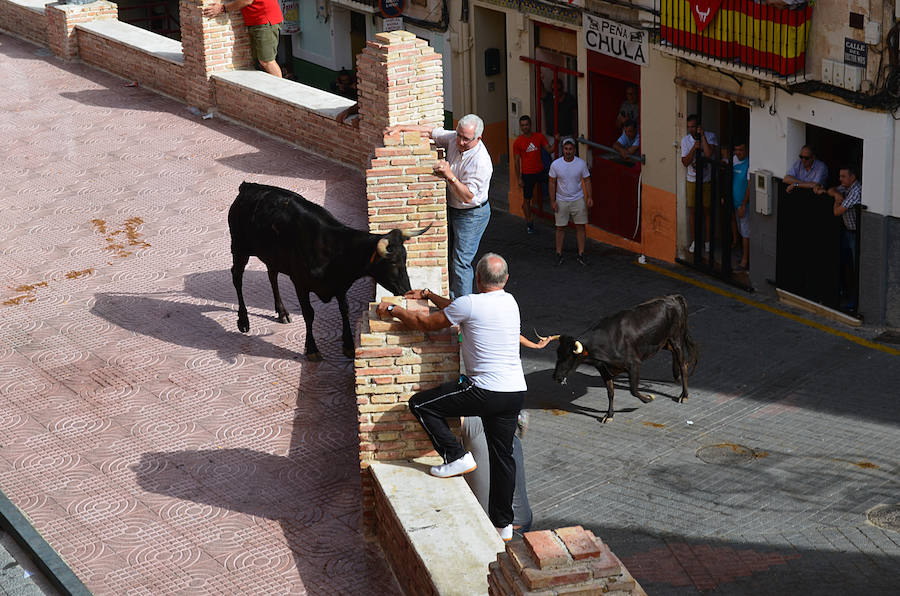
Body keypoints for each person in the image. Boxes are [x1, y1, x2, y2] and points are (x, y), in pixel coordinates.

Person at [375, 253, 549, 541]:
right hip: (515, 394)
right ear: (505, 280)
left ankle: (456, 456)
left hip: (485, 391)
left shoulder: (471, 303)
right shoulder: (510, 301)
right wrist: (430, 294)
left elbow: (428, 324)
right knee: (502, 458)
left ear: (477, 279)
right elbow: (459, 309)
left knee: (420, 405)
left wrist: (394, 309)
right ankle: (503, 524)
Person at [385, 115, 493, 298]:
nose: (460, 141)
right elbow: (430, 131)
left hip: (472, 214)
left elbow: (467, 197)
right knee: (450, 258)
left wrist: (449, 175)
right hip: (454, 209)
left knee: (461, 262)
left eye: (466, 139)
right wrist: (401, 128)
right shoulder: (455, 137)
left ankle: (462, 308)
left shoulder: (481, 162)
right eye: (459, 135)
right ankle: (452, 300)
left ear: (478, 139)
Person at [815, 166, 861, 311]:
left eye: (843, 176)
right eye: (840, 176)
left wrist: (836, 200)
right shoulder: (846, 187)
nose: (840, 179)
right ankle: (842, 291)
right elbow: (831, 189)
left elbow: (837, 212)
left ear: (852, 178)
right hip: (847, 232)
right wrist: (836, 194)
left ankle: (854, 302)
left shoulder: (856, 191)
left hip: (855, 234)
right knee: (840, 261)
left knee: (855, 268)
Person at [203, 0, 284, 78]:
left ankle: (280, 89)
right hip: (257, 21)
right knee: (260, 61)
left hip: (264, 20)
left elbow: (246, 1)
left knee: (267, 61)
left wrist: (222, 8)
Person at [548, 138, 592, 267]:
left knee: (580, 227)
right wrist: (552, 201)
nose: (568, 151)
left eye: (570, 149)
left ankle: (581, 253)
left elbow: (587, 180)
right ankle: (558, 253)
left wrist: (589, 197)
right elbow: (551, 182)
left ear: (574, 150)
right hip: (561, 200)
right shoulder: (556, 164)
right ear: (563, 150)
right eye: (566, 149)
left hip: (578, 199)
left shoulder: (581, 164)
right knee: (560, 228)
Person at [680, 114, 717, 254]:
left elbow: (708, 154)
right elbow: (684, 162)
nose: (691, 130)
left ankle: (707, 242)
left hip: (706, 180)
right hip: (692, 180)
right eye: (689, 127)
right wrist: (694, 148)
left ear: (699, 126)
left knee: (707, 211)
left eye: (693, 127)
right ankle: (695, 241)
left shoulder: (710, 136)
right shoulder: (685, 141)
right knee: (693, 212)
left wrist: (702, 138)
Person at [513, 115, 554, 235]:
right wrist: (519, 178)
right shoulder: (518, 142)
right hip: (527, 174)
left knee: (553, 186)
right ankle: (529, 223)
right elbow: (516, 161)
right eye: (522, 125)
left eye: (527, 125)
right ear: (520, 127)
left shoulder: (539, 136)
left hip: (541, 171)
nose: (525, 127)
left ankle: (556, 211)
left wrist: (557, 141)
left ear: (530, 125)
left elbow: (549, 150)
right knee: (527, 200)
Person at [731, 141, 751, 271]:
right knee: (740, 229)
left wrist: (743, 205)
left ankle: (744, 261)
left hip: (744, 206)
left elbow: (749, 186)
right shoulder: (734, 159)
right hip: (735, 203)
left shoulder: (750, 163)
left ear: (747, 150)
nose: (738, 153)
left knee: (745, 233)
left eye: (741, 150)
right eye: (736, 150)